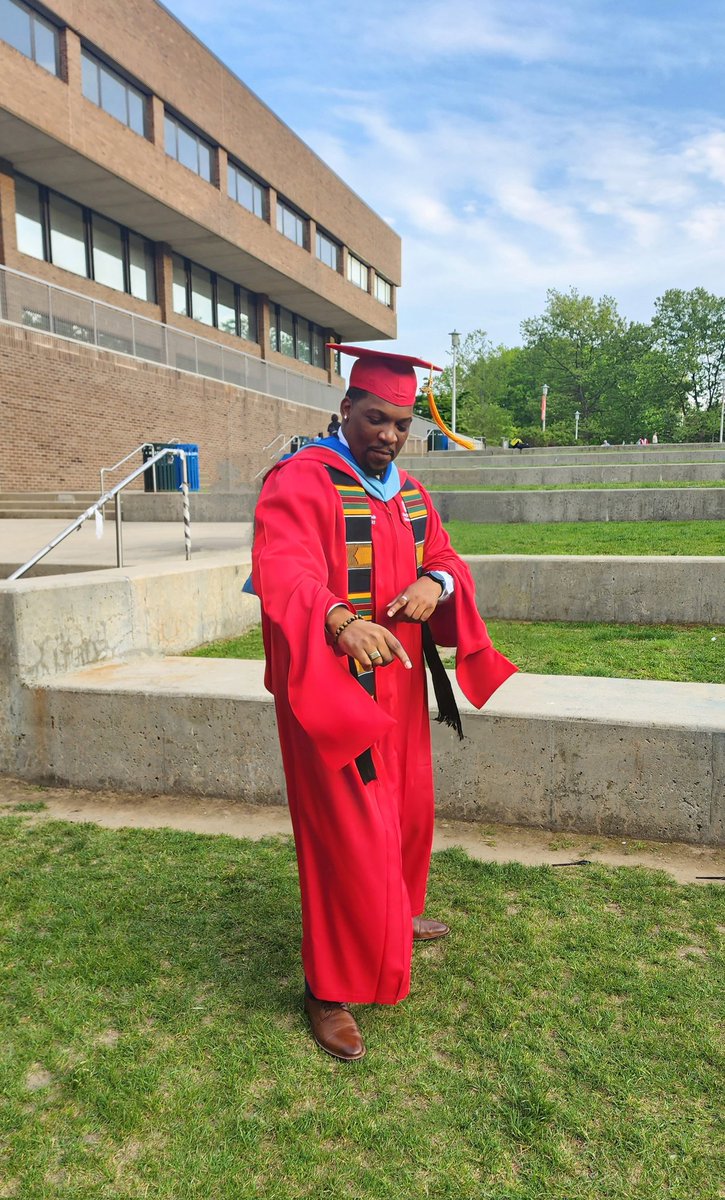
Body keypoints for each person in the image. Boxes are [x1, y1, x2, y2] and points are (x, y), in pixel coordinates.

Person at [252, 345, 517, 1061]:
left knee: (403, 814)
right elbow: (281, 569)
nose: (389, 436)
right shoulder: (300, 482)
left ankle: (391, 917)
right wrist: (341, 620)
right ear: (345, 411)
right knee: (344, 833)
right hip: (328, 689)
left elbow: (449, 559)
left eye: (401, 424)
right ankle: (325, 989)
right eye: (375, 418)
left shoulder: (410, 493)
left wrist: (439, 584)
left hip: (398, 687)